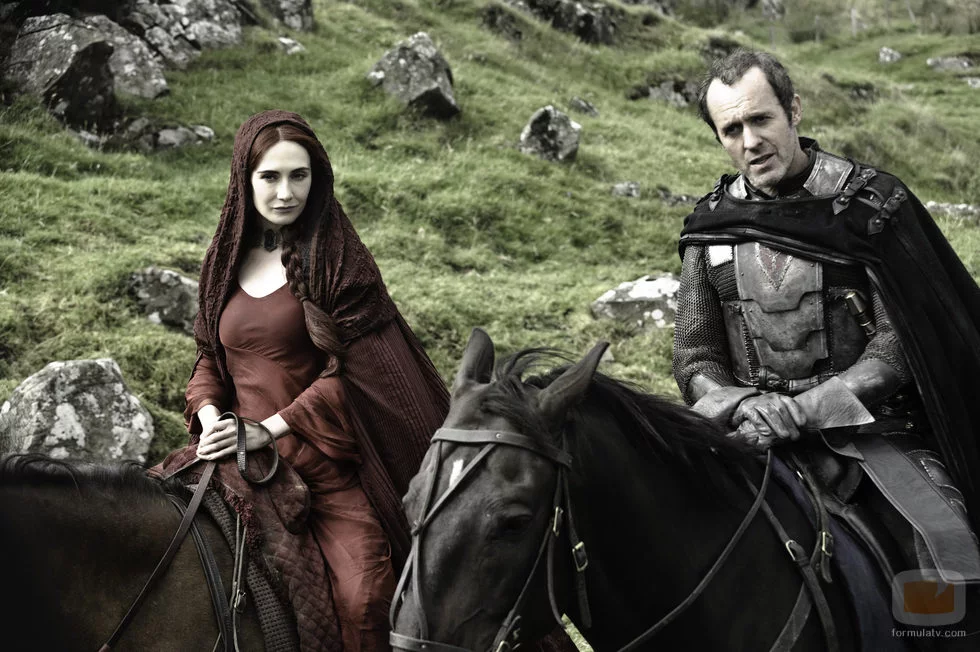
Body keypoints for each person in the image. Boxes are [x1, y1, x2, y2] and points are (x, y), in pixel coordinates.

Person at [672, 49, 980, 584]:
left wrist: (803, 410)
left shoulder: (870, 207)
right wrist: (750, 407)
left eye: (761, 119)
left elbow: (899, 345)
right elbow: (696, 355)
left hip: (876, 431)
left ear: (794, 110)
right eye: (732, 129)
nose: (750, 141)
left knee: (948, 553)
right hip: (751, 433)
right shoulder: (711, 227)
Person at [185, 110, 449, 651]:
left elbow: (355, 372)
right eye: (270, 176)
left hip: (324, 467)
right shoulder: (223, 262)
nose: (285, 193)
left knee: (364, 597)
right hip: (234, 459)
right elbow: (210, 358)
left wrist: (270, 428)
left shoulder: (337, 263)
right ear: (244, 179)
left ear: (317, 178)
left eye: (298, 176)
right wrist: (211, 416)